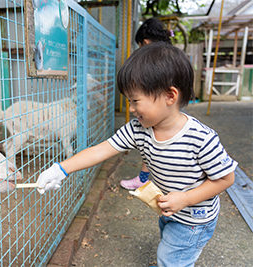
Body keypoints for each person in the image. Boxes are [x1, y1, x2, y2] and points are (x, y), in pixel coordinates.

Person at [36, 42, 237, 266]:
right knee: (170, 251)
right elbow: (102, 149)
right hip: (170, 210)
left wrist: (186, 198)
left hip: (194, 219)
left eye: (135, 100)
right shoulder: (138, 129)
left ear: (170, 96)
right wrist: (61, 169)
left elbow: (226, 178)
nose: (131, 108)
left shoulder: (201, 138)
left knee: (170, 258)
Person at [120, 17, 173, 190]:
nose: (131, 108)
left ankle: (144, 178)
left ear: (145, 42)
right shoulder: (170, 54)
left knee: (152, 139)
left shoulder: (154, 59)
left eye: (134, 100)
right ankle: (149, 177)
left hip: (159, 107)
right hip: (168, 109)